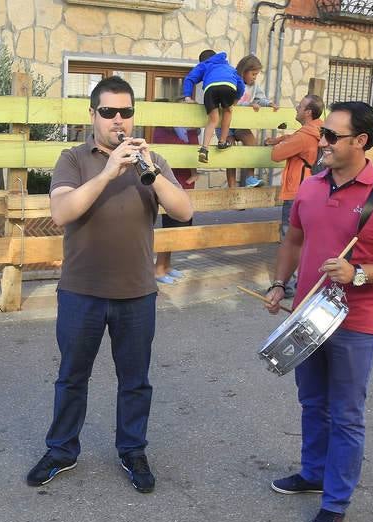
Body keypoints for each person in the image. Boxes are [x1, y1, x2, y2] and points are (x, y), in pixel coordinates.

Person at [26, 76, 193, 493]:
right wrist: (108, 170)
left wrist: (149, 171)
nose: (119, 119)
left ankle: (132, 450)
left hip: (137, 293)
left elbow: (184, 210)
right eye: (108, 112)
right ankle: (62, 450)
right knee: (71, 377)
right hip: (81, 291)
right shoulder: (74, 158)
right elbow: (63, 211)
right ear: (92, 116)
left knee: (135, 381)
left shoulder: (150, 161)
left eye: (126, 112)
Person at [264, 101, 373, 522]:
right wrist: (278, 285)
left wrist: (360, 273)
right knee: (312, 403)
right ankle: (313, 473)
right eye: (323, 134)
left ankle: (335, 502)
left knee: (346, 415)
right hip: (307, 319)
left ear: (360, 142)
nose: (322, 141)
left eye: (331, 136)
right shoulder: (311, 188)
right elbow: (293, 241)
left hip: (355, 323)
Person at [264, 94, 324, 297]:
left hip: (296, 191)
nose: (296, 109)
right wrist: (282, 139)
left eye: (300, 106)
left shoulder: (305, 135)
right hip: (313, 190)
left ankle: (287, 286)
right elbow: (297, 141)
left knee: (290, 238)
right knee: (307, 239)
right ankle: (304, 282)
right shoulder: (319, 130)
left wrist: (278, 144)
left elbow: (276, 154)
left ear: (308, 112)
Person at [152, 99, 199, 284]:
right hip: (171, 183)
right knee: (169, 228)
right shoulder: (165, 128)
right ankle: (159, 269)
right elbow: (166, 155)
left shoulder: (188, 131)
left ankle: (166, 266)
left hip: (184, 183)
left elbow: (193, 151)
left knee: (178, 228)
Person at [182, 49, 245, 164]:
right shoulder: (228, 67)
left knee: (213, 120)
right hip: (228, 86)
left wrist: (187, 97)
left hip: (210, 89)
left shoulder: (204, 65)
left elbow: (189, 79)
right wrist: (236, 99)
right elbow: (240, 83)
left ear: (202, 61)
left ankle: (204, 148)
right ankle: (222, 141)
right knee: (227, 111)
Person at [226, 55, 278, 188]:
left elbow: (260, 99)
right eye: (253, 74)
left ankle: (250, 178)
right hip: (226, 124)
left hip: (241, 123)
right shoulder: (233, 82)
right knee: (229, 151)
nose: (255, 77)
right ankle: (231, 188)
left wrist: (269, 103)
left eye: (257, 74)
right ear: (244, 71)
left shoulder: (254, 86)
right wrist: (247, 106)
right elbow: (230, 103)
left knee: (251, 141)